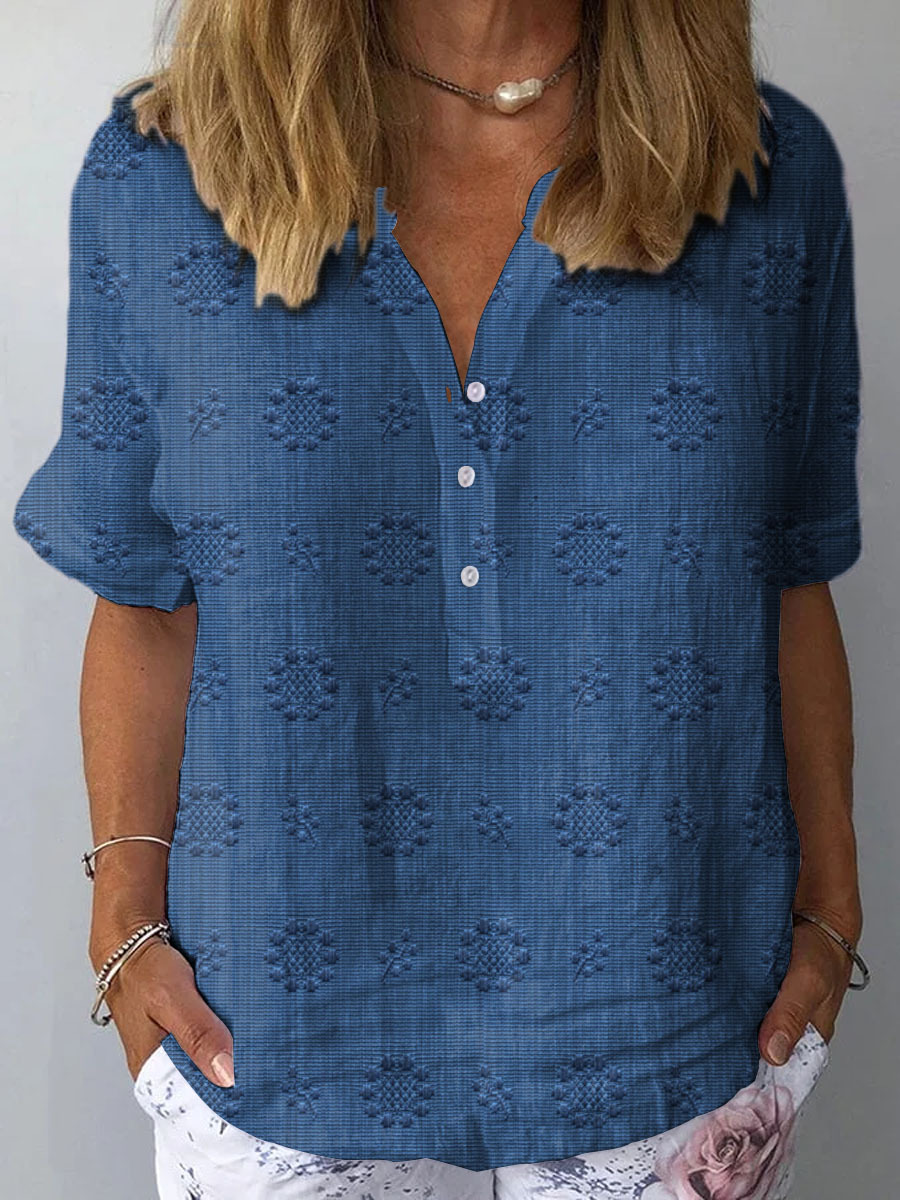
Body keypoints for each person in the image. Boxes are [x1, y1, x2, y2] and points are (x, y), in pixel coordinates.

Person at [13, 1, 871, 1197]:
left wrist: (832, 908)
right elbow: (148, 596)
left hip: (668, 1019)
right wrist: (124, 920)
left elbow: (788, 568)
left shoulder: (758, 174)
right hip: (268, 1030)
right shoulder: (168, 175)